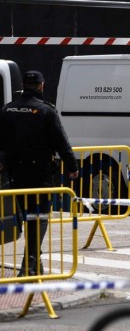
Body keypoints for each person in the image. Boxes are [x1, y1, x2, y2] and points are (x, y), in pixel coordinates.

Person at [0, 70, 79, 276]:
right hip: (40, 175)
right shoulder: (46, 111)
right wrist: (72, 167)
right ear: (42, 86)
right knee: (39, 217)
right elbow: (61, 142)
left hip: (15, 174)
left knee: (28, 217)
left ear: (23, 86)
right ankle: (31, 264)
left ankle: (33, 263)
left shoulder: (7, 110)